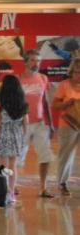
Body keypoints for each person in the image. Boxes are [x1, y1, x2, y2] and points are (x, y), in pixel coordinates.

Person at [17, 49, 56, 198]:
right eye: (33, 60)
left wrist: (50, 123)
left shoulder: (43, 78)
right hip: (22, 124)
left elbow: (46, 102)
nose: (36, 63)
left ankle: (43, 188)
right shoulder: (18, 79)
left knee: (45, 156)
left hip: (41, 124)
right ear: (25, 62)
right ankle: (13, 185)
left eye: (38, 60)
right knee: (17, 157)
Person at [0, 75, 28, 205]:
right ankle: (11, 192)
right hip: (17, 135)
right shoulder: (22, 103)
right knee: (13, 165)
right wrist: (23, 137)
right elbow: (26, 123)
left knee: (3, 166)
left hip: (4, 135)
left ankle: (4, 191)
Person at [52, 58, 80, 196]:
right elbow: (54, 105)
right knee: (66, 154)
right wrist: (66, 104)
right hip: (68, 124)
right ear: (72, 71)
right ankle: (62, 182)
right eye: (77, 71)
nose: (79, 74)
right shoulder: (64, 85)